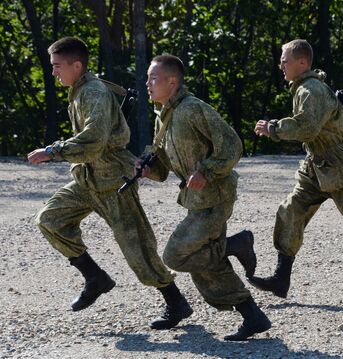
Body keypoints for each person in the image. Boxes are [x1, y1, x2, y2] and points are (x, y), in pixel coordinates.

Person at [27, 36, 191, 330]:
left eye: (57, 66)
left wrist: (53, 151)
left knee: (137, 248)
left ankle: (175, 302)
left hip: (114, 180)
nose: (54, 73)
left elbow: (94, 141)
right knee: (50, 220)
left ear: (77, 66)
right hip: (87, 179)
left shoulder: (92, 93)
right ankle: (94, 277)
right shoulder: (80, 91)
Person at [137, 54, 271, 341]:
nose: (147, 83)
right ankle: (253, 316)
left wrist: (207, 171)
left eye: (153, 78)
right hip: (197, 200)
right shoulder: (164, 115)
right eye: (148, 78)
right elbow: (164, 167)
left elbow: (232, 145)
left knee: (176, 254)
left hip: (215, 198)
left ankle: (236, 243)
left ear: (173, 81)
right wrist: (149, 169)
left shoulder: (194, 109)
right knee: (205, 266)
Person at [251, 39, 343, 299]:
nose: (281, 64)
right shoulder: (303, 88)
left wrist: (273, 128)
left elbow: (307, 127)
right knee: (291, 210)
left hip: (335, 163)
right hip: (316, 164)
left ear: (302, 63)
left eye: (285, 60)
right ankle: (281, 278)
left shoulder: (310, 90)